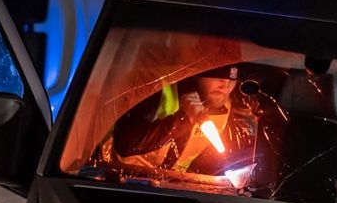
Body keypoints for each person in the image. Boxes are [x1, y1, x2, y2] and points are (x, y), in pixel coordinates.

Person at [110, 64, 258, 176]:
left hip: (175, 189)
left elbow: (213, 164)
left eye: (232, 79)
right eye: (217, 75)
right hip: (123, 185)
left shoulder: (231, 109)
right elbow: (125, 144)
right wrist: (183, 119)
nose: (225, 85)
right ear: (197, 72)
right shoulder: (154, 89)